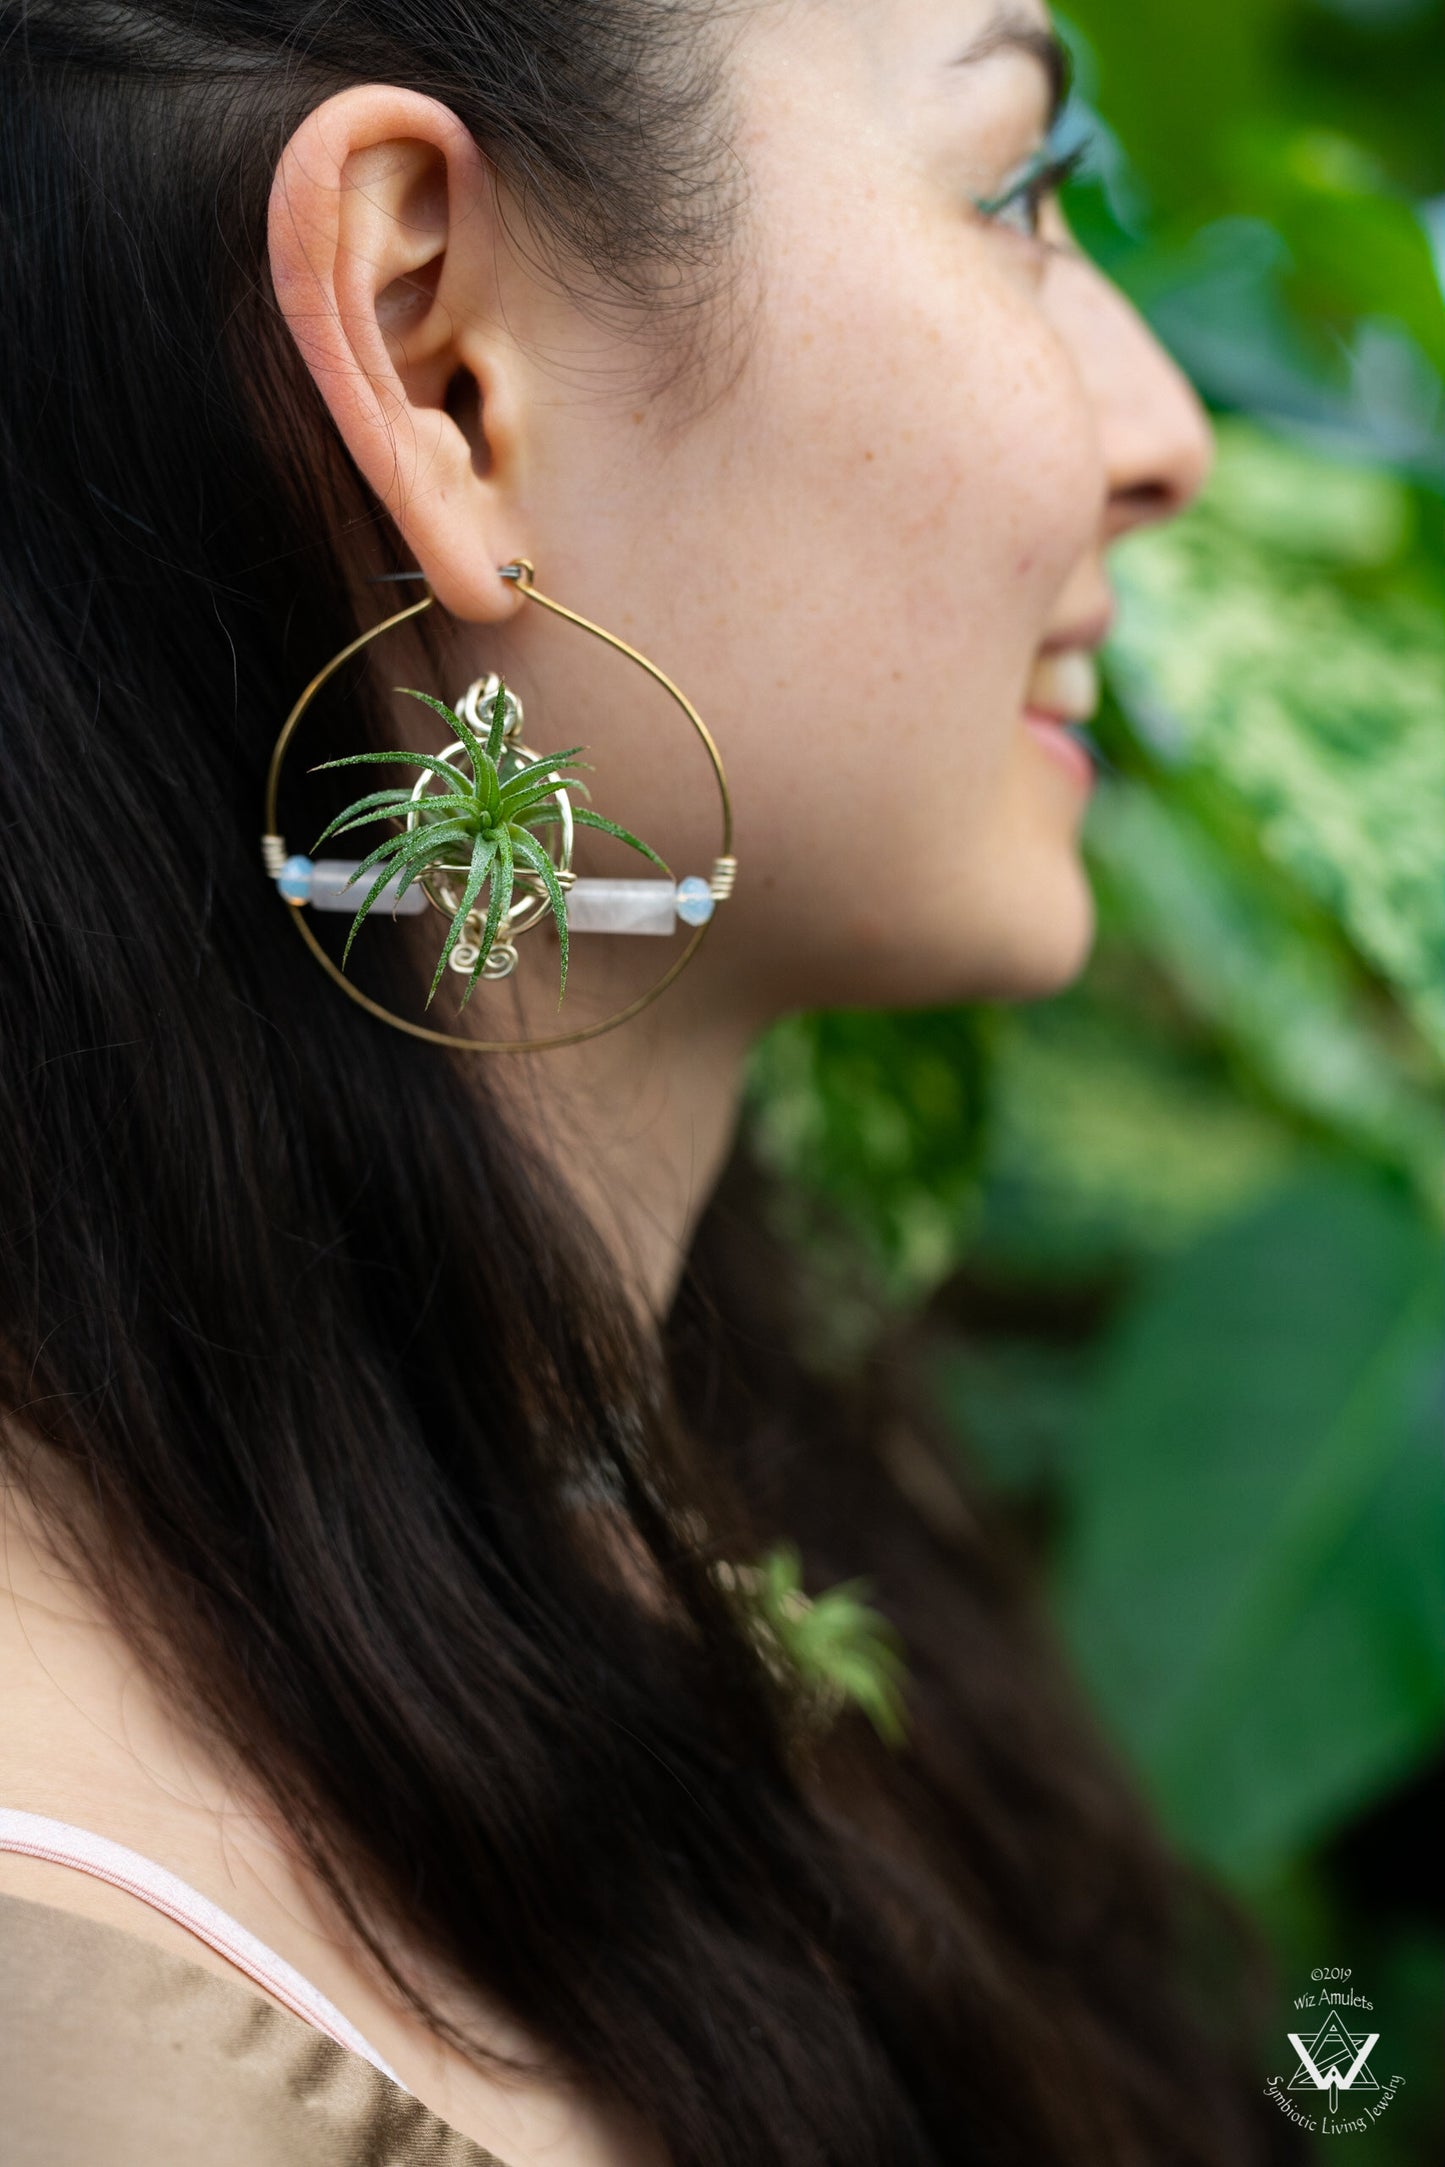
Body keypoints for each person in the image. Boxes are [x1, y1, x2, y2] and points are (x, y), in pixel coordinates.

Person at [0, 2, 1300, 2162]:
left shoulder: (630, 1458)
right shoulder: (118, 2069)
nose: (1168, 434)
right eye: (1008, 191)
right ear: (438, 365)